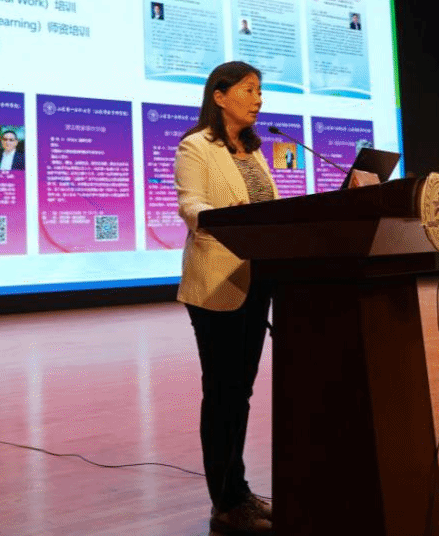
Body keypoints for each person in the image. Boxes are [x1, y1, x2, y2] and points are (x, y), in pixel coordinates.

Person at [174, 61, 277, 535]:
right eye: (249, 90)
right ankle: (226, 502)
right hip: (217, 282)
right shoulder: (196, 146)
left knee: (242, 391)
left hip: (256, 281)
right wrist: (223, 216)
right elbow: (190, 205)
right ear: (219, 95)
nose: (258, 99)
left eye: (260, 91)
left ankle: (239, 492)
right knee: (222, 392)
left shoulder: (254, 152)